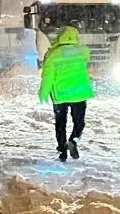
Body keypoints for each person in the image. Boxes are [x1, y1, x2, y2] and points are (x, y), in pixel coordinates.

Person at [38, 25, 94, 162]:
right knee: (79, 122)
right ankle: (73, 140)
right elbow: (87, 55)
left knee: (60, 124)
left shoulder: (52, 55)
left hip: (60, 95)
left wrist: (43, 93)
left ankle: (62, 151)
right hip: (79, 94)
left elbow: (47, 76)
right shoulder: (82, 52)